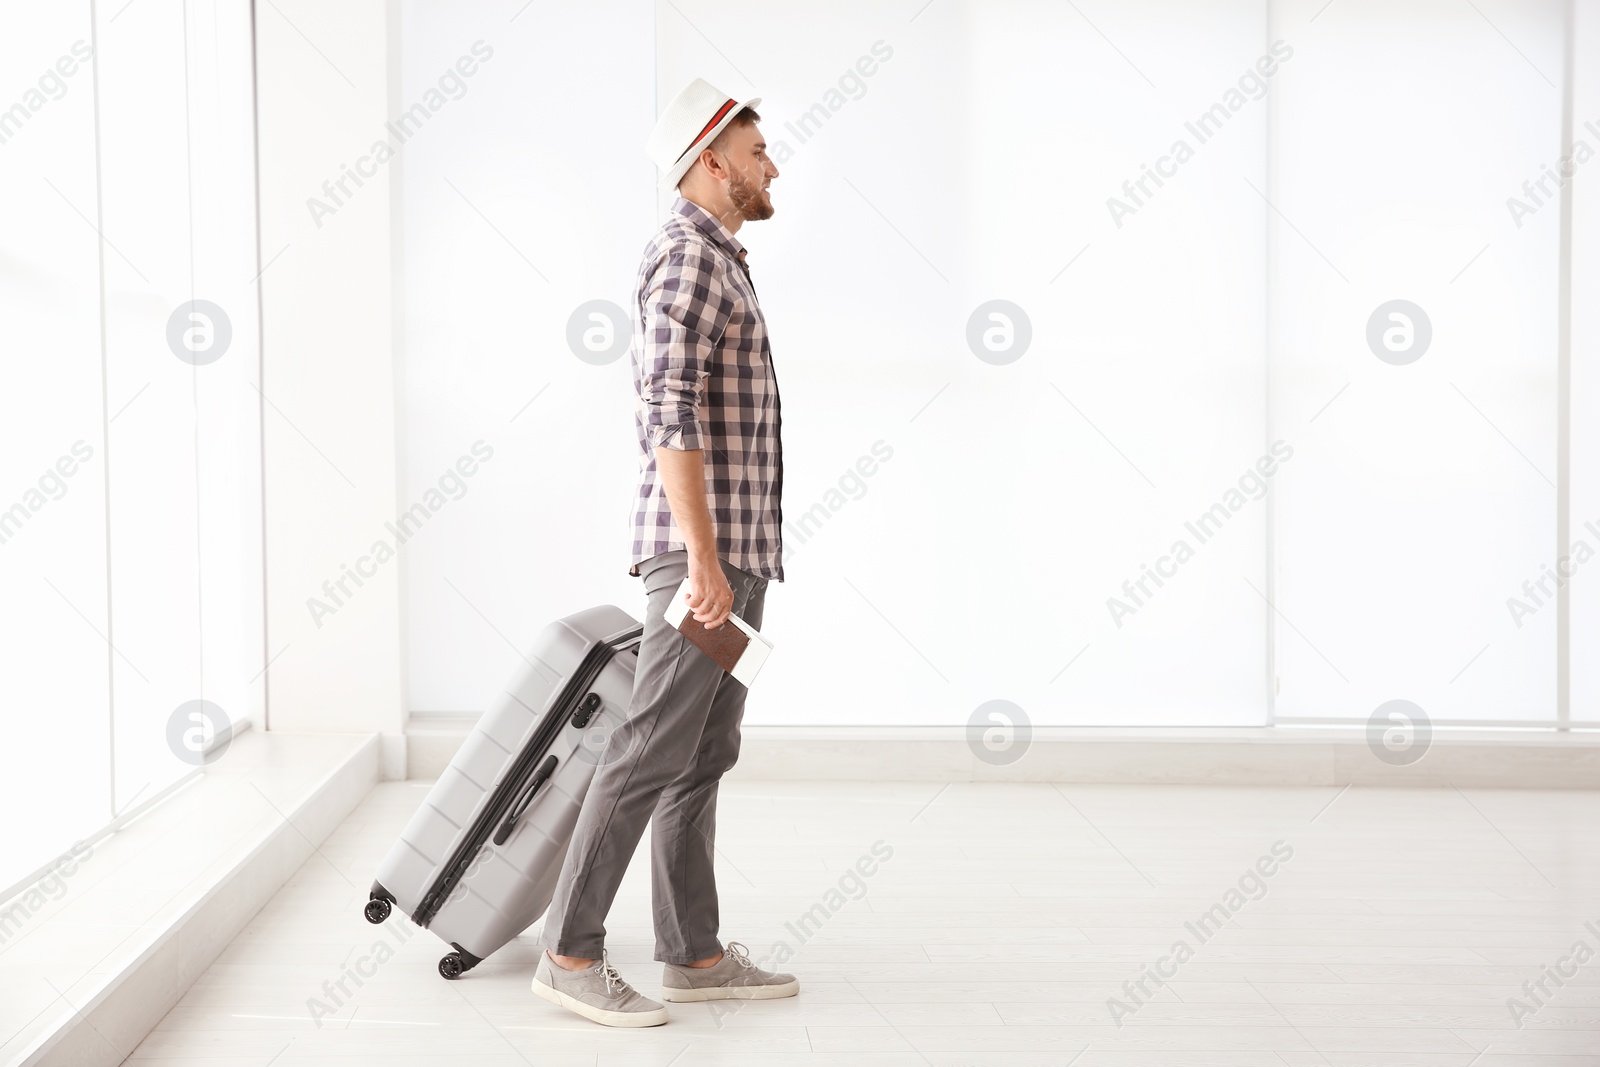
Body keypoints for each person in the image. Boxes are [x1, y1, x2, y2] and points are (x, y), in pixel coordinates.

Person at [531, 78, 796, 1028]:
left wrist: (732, 559)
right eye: (761, 152)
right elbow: (667, 414)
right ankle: (569, 951)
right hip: (703, 562)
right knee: (649, 746)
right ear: (713, 158)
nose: (774, 167)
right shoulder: (687, 258)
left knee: (701, 750)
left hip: (730, 557)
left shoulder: (722, 259)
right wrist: (705, 561)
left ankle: (693, 951)